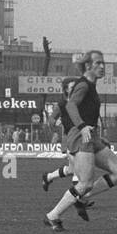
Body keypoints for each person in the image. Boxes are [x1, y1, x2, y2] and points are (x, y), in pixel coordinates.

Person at [44, 51, 117, 231]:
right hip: (80, 136)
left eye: (103, 63)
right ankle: (53, 215)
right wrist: (82, 126)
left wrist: (97, 135)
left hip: (91, 136)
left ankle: (81, 199)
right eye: (98, 63)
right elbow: (70, 105)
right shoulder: (84, 85)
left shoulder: (91, 85)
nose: (102, 66)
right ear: (88, 66)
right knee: (85, 183)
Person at [39, 76, 90, 222]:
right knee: (80, 172)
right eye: (72, 86)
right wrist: (55, 122)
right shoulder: (61, 104)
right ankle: (78, 201)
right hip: (70, 141)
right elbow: (51, 121)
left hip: (81, 139)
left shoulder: (80, 102)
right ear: (66, 89)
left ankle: (48, 177)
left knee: (72, 170)